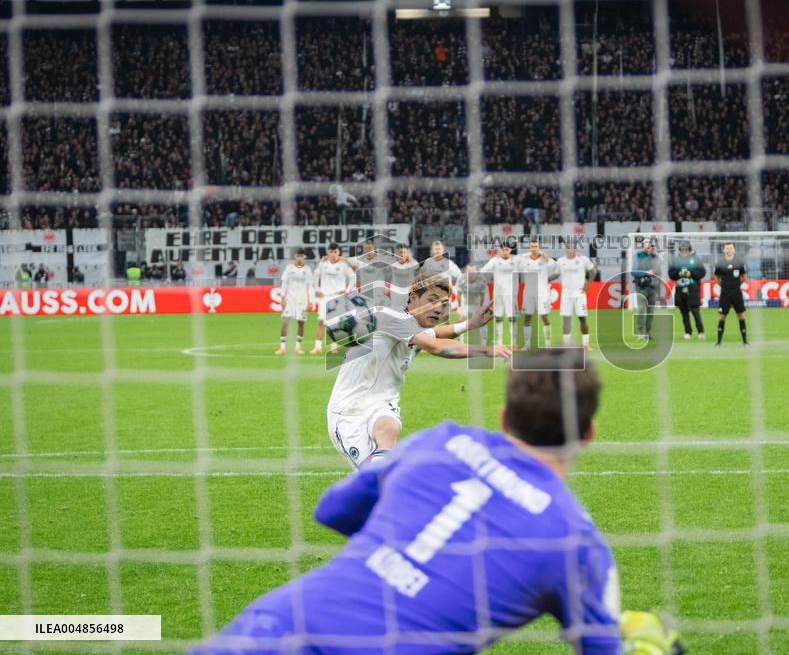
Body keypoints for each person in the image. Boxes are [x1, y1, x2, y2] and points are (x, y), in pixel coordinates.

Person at [190, 349, 685, 655]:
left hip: (274, 626)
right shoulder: (575, 539)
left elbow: (332, 511)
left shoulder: (440, 441)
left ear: (503, 415)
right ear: (590, 433)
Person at [327, 272, 510, 469]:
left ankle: (386, 484)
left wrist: (468, 324)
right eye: (433, 301)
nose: (439, 309)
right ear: (413, 297)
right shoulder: (394, 317)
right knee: (371, 480)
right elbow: (437, 346)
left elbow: (436, 332)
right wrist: (488, 350)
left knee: (388, 428)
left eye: (444, 304)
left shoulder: (411, 324)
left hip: (383, 402)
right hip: (350, 409)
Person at [311, 244, 356, 355]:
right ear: (328, 253)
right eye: (330, 252)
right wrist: (317, 289)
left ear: (338, 253)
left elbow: (353, 277)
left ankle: (333, 347)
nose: (332, 254)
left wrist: (347, 290)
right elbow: (315, 276)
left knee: (336, 323)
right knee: (321, 321)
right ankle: (317, 347)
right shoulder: (323, 264)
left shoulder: (343, 265)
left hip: (338, 297)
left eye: (335, 252)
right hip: (325, 297)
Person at [555, 243, 596, 349]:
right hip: (566, 296)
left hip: (580, 295)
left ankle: (586, 344)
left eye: (572, 248)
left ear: (576, 249)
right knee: (566, 320)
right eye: (568, 248)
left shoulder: (583, 260)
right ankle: (566, 345)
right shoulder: (560, 261)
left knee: (582, 319)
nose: (570, 250)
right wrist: (546, 279)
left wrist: (588, 285)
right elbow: (556, 274)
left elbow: (593, 271)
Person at [518, 239, 557, 349]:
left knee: (544, 317)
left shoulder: (544, 258)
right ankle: (527, 345)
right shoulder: (524, 259)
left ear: (538, 247)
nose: (534, 248)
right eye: (532, 246)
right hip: (528, 293)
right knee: (527, 318)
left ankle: (548, 344)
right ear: (530, 247)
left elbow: (554, 266)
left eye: (536, 246)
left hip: (542, 293)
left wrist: (547, 257)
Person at [480, 244, 519, 349]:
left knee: (511, 318)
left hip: (510, 294)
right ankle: (499, 342)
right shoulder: (495, 260)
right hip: (498, 294)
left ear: (510, 250)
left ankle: (513, 343)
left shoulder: (516, 260)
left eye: (507, 249)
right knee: (498, 317)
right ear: (500, 250)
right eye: (503, 249)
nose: (505, 251)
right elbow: (483, 271)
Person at [276, 249, 313, 356]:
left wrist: (310, 301)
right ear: (295, 257)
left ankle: (298, 347)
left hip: (302, 301)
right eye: (298, 255)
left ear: (304, 257)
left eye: (302, 255)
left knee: (301, 323)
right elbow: (284, 284)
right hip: (290, 300)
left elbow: (310, 286)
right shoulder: (288, 269)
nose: (300, 257)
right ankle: (282, 347)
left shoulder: (308, 270)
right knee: (285, 322)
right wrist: (282, 298)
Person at [667, 240, 706, 340]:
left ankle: (701, 332)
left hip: (693, 290)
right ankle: (688, 332)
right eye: (682, 249)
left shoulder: (696, 259)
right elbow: (671, 274)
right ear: (679, 249)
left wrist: (691, 274)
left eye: (686, 248)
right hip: (680, 291)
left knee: (695, 312)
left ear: (689, 249)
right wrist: (678, 274)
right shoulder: (675, 260)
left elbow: (702, 272)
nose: (684, 250)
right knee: (684, 313)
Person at [713, 242, 748, 348]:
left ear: (734, 250)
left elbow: (744, 276)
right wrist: (724, 285)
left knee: (740, 315)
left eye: (731, 248)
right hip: (725, 293)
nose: (729, 250)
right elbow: (716, 277)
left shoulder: (739, 262)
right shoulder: (720, 263)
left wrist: (736, 285)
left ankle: (745, 342)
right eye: (727, 248)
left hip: (737, 292)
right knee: (723, 316)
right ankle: (718, 342)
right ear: (724, 251)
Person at [630, 238, 661, 341]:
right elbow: (633, 271)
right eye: (646, 244)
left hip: (652, 288)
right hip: (641, 288)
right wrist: (645, 273)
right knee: (641, 310)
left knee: (650, 312)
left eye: (650, 245)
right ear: (643, 245)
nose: (649, 246)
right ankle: (640, 333)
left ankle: (648, 333)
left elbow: (659, 274)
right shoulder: (637, 256)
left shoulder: (655, 257)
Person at [348, 239, 392, 306]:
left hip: (380, 296)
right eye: (366, 248)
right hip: (365, 297)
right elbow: (344, 259)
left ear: (374, 249)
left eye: (370, 248)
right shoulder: (359, 260)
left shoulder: (382, 259)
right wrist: (327, 257)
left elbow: (399, 261)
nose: (368, 250)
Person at [389, 244, 420, 311]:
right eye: (400, 252)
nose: (402, 254)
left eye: (404, 252)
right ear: (396, 253)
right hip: (395, 296)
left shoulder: (414, 264)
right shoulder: (391, 264)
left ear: (408, 253)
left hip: (408, 295)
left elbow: (419, 278)